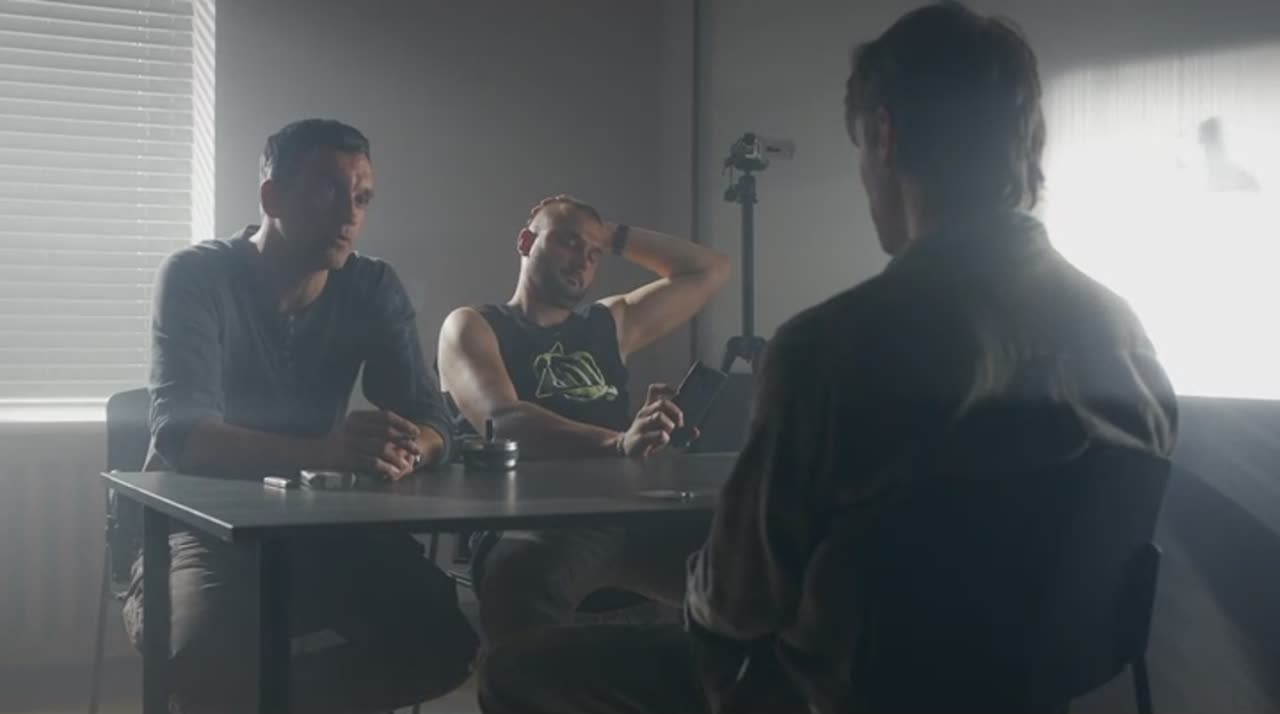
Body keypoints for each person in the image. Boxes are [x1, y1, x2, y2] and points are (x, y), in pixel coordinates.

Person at [475, 4, 1179, 714]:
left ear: (884, 136)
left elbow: (735, 608)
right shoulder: (1127, 340)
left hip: (826, 696)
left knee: (514, 671)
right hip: (1027, 694)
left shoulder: (832, 348)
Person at [120, 119, 478, 713]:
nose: (349, 214)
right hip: (196, 526)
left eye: (362, 198)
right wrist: (329, 451)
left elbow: (434, 423)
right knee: (203, 653)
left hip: (319, 523)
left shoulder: (372, 286)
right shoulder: (195, 275)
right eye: (327, 189)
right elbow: (184, 438)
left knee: (443, 643)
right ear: (272, 197)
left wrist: (406, 445)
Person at [436, 193, 730, 644]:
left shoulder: (608, 323)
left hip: (629, 512)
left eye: (594, 254)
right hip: (533, 518)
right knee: (521, 575)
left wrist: (611, 235)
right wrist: (618, 443)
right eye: (569, 242)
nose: (583, 262)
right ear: (526, 242)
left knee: (750, 556)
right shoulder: (473, 325)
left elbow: (711, 270)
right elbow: (503, 420)